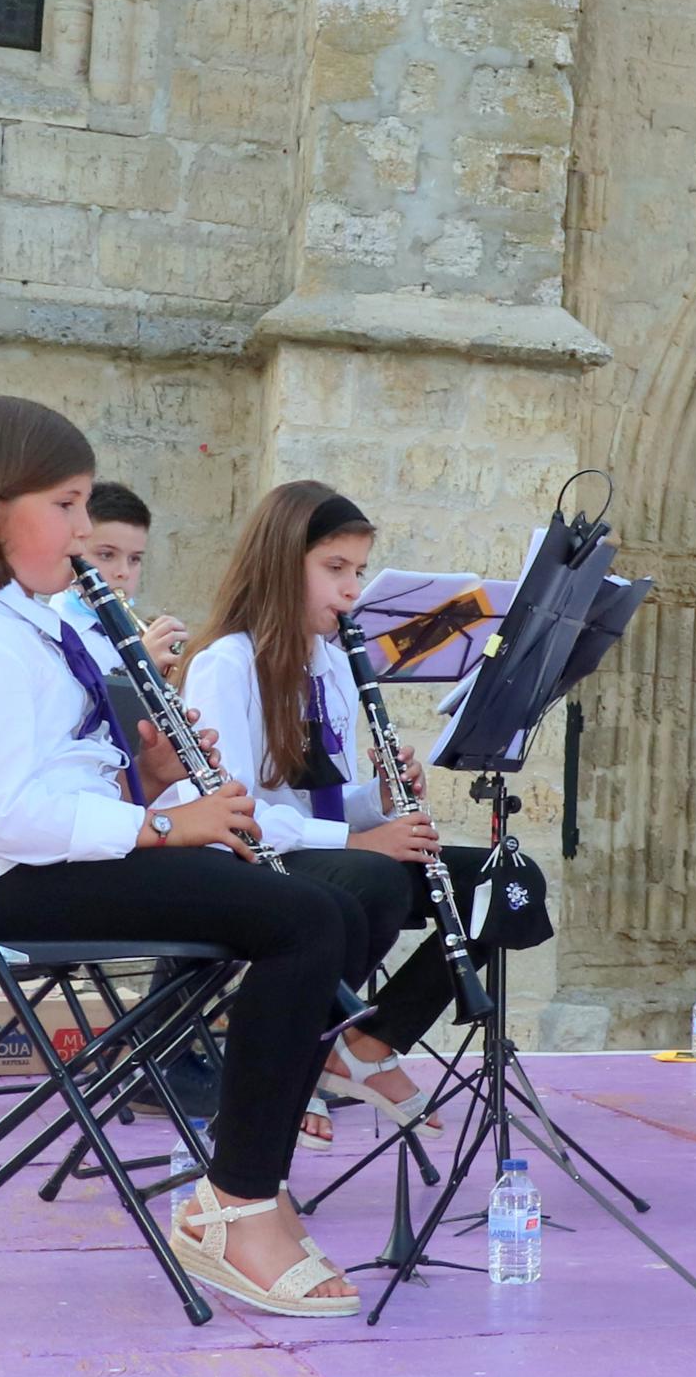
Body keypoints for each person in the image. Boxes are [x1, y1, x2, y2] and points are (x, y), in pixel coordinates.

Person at [0, 397, 364, 1316]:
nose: (84, 528)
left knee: (320, 911)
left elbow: (54, 774)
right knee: (301, 919)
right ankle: (236, 1203)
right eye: (65, 503)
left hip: (40, 870)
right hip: (5, 891)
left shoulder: (16, 621)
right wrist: (170, 826)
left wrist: (150, 774)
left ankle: (252, 1182)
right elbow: (11, 816)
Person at [181, 481, 492, 1143]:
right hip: (256, 859)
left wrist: (382, 798)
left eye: (357, 570)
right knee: (371, 879)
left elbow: (323, 790)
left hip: (320, 847)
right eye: (335, 569)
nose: (353, 590)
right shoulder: (225, 665)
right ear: (279, 563)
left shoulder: (332, 666)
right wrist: (367, 840)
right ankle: (297, 1046)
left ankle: (366, 1046)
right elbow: (235, 810)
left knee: (506, 880)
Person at [74, 480, 190, 680]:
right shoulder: (57, 633)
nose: (124, 572)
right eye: (106, 555)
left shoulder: (135, 631)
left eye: (134, 559)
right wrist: (142, 666)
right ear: (74, 550)